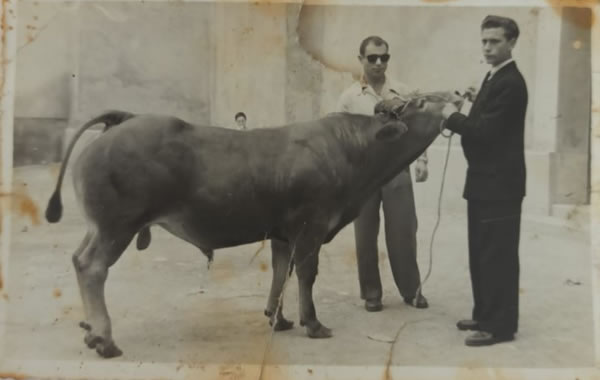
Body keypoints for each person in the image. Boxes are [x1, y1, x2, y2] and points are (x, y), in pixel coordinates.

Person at [442, 15, 528, 346]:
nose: (488, 47)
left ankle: (499, 327)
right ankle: (484, 314)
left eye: (494, 41)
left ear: (511, 43)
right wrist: (466, 106)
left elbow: (486, 132)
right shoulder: (494, 77)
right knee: (480, 251)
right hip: (484, 182)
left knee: (497, 255)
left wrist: (452, 116)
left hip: (500, 187)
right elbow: (481, 122)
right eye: (484, 41)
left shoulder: (511, 82)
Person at [337, 35, 429, 312]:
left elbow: (418, 130)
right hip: (363, 175)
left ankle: (411, 290)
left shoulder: (402, 92)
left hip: (395, 170)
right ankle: (371, 294)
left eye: (384, 57)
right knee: (365, 235)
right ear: (361, 60)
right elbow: (338, 137)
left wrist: (422, 160)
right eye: (372, 58)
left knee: (404, 231)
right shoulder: (349, 98)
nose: (379, 63)